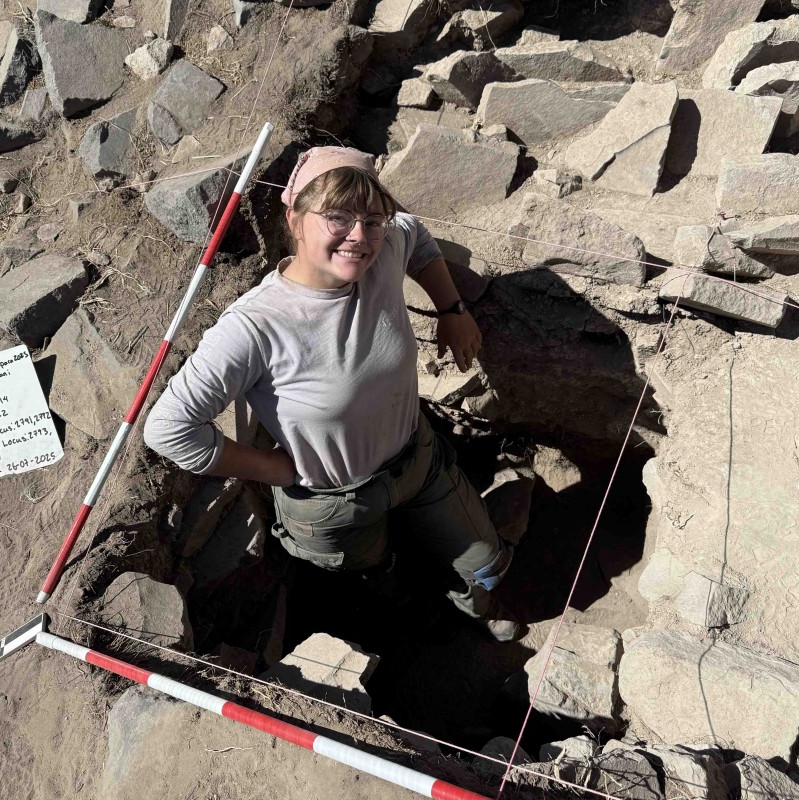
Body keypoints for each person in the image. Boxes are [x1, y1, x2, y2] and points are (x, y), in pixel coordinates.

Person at [143, 146, 520, 641]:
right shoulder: (255, 327)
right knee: (378, 574)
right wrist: (272, 469)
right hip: (334, 502)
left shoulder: (384, 251)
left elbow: (417, 236)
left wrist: (451, 308)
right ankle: (412, 620)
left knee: (484, 564)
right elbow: (168, 429)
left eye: (371, 218)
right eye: (337, 217)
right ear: (295, 217)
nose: (359, 237)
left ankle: (476, 610)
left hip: (417, 460)